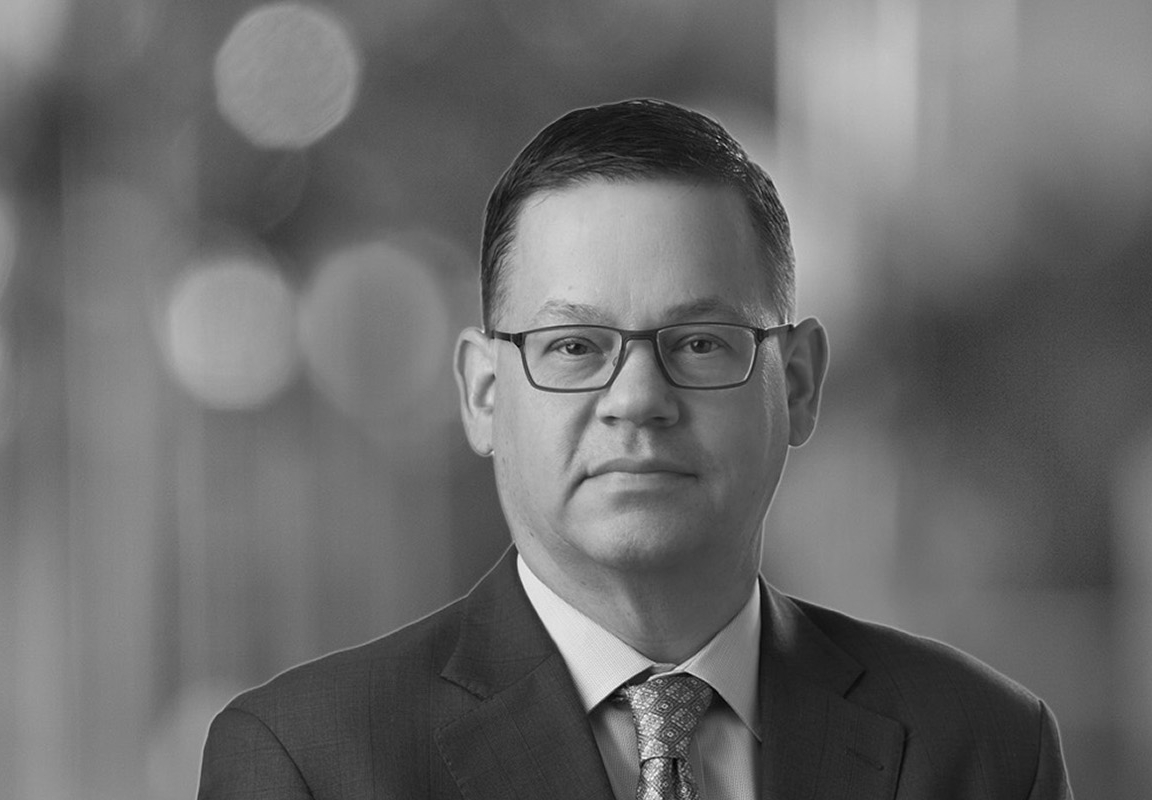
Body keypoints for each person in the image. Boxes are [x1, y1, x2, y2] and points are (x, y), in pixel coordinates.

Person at [197, 98, 1073, 799]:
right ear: (485, 393)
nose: (639, 401)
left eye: (701, 343)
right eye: (575, 348)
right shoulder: (309, 763)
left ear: (800, 383)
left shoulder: (985, 750)